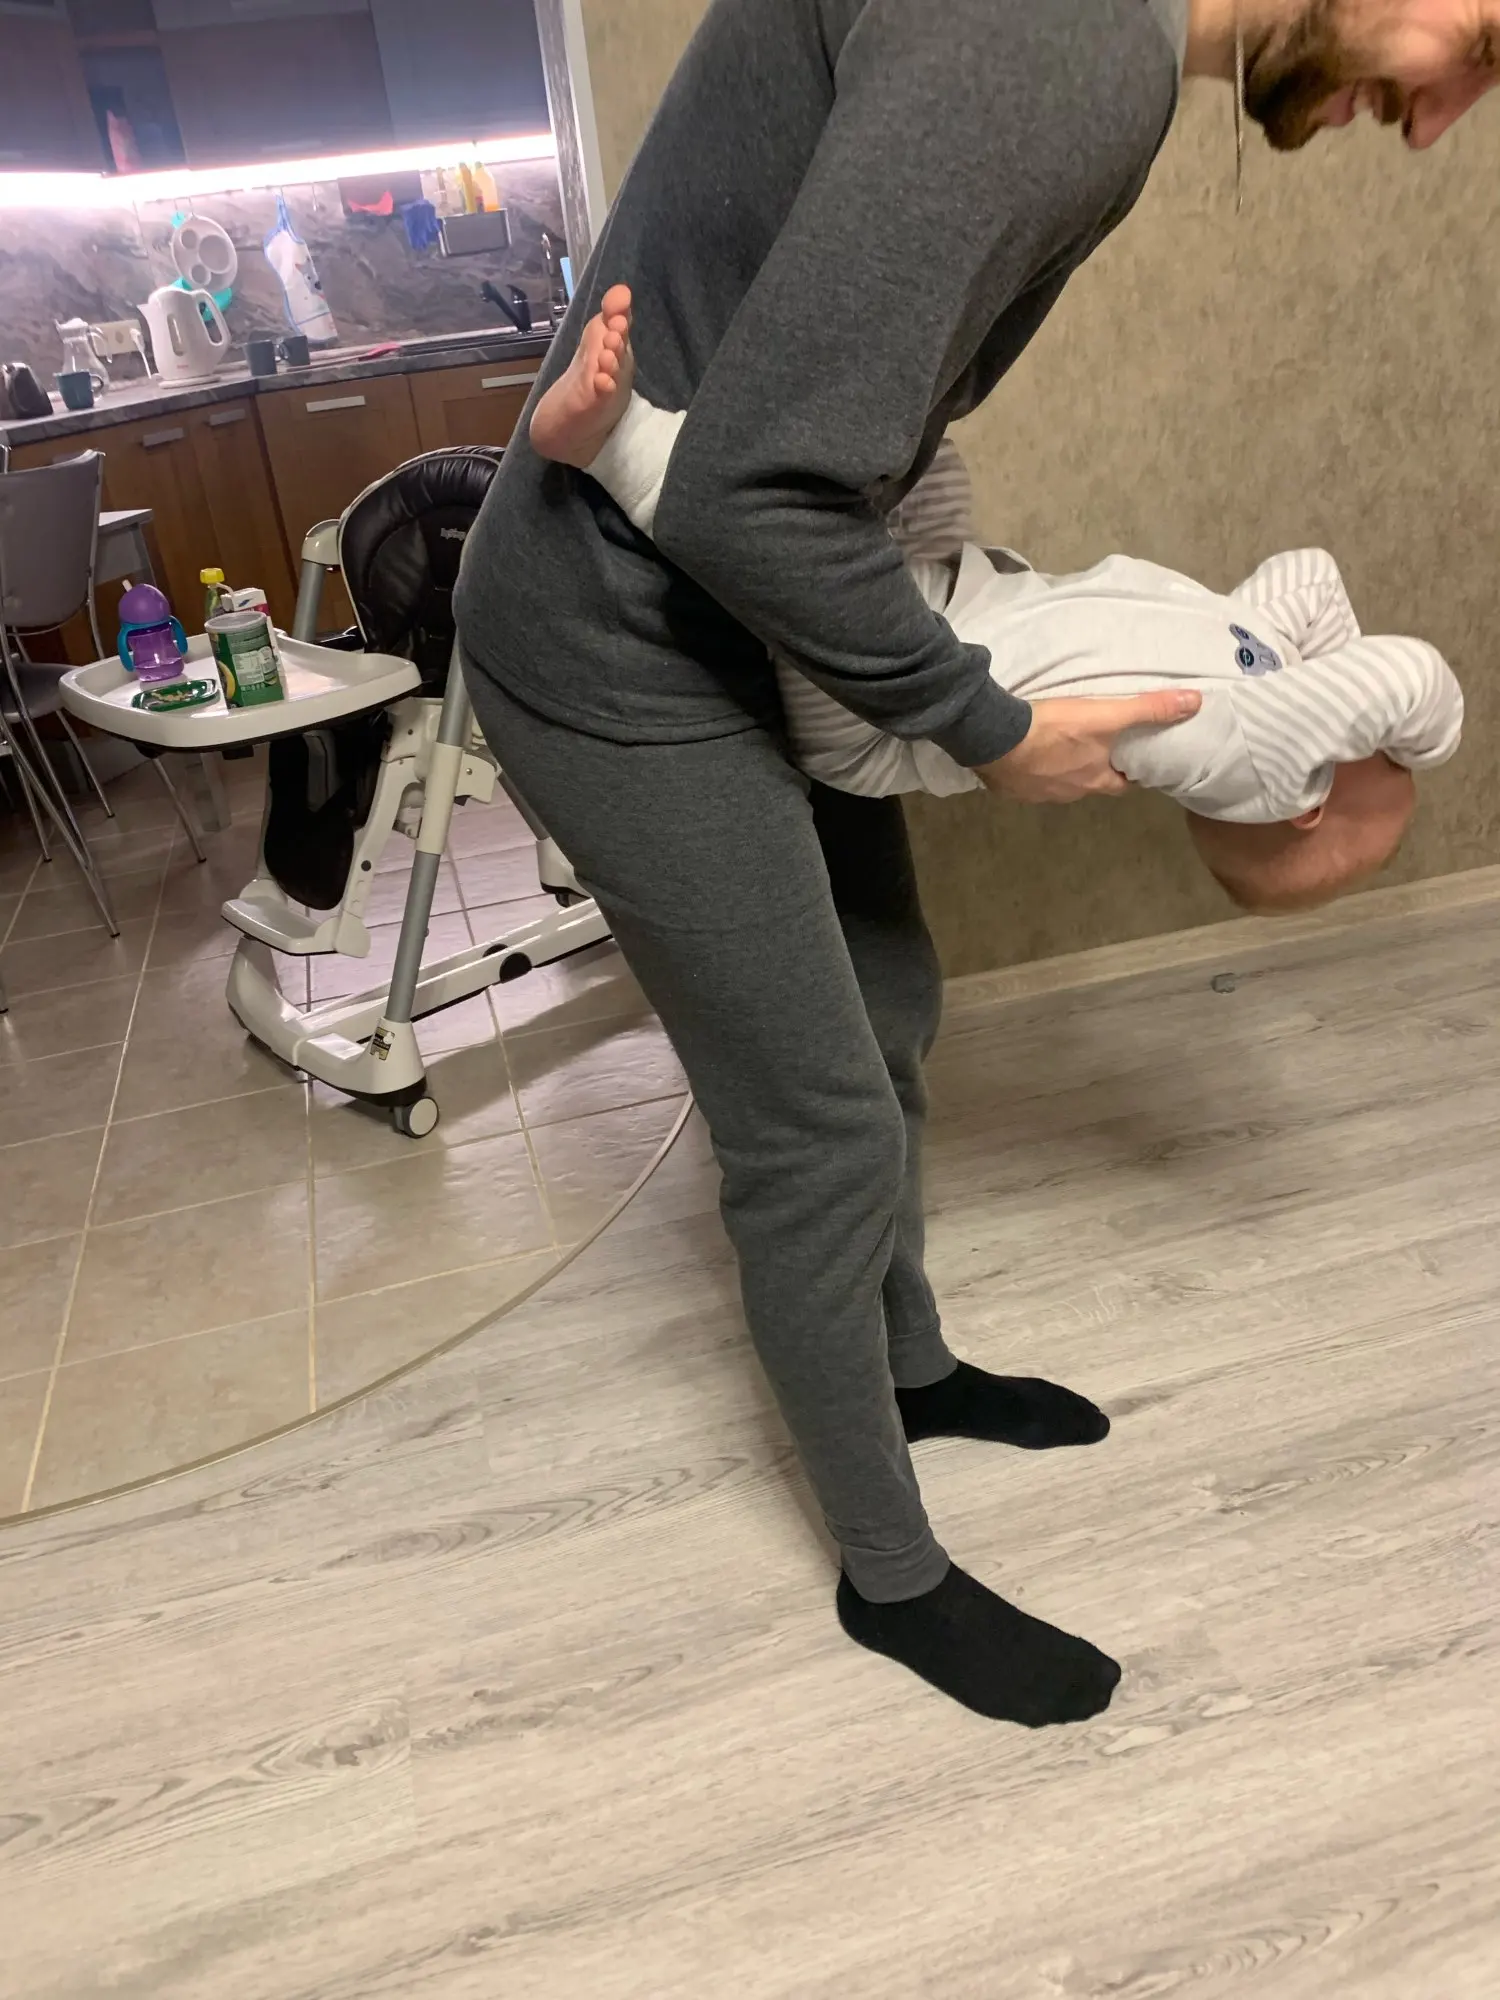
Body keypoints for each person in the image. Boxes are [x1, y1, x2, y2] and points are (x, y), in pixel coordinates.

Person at [453, 0, 1499, 1726]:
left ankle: (913, 1370)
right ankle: (891, 1578)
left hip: (748, 625)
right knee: (819, 1128)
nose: (1442, 116)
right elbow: (751, 492)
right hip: (621, 646)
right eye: (1484, 48)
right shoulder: (1066, 46)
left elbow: (841, 439)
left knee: (887, 1011)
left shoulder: (1098, 54)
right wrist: (988, 724)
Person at [531, 299, 1464, 915]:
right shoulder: (1265, 658)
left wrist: (1423, 741)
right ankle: (731, 425)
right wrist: (1318, 662)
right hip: (950, 602)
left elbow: (1409, 676)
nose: (1391, 753)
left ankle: (614, 442)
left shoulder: (1259, 771)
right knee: (925, 472)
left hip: (878, 719)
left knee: (790, 547)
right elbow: (1311, 576)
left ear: (1305, 807)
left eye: (1391, 768)